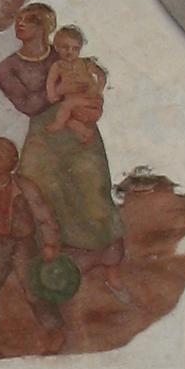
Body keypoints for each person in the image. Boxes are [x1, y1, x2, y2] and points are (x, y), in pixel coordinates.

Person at [21, 46, 121, 266]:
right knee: (43, 183)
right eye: (63, 45)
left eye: (72, 46)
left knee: (91, 182)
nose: (67, 50)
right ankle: (59, 247)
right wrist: (59, 91)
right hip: (47, 126)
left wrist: (94, 89)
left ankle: (100, 246)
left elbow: (98, 80)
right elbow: (31, 102)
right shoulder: (12, 66)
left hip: (77, 122)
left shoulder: (77, 64)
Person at [0, 137, 64, 359]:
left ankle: (54, 331)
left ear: (12, 163)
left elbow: (44, 216)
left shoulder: (23, 186)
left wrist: (50, 243)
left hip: (23, 245)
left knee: (34, 290)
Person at [0, 2, 58, 120]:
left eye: (31, 20)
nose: (20, 23)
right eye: (19, 19)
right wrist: (60, 89)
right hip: (43, 129)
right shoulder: (7, 68)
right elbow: (28, 105)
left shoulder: (61, 55)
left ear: (46, 26)